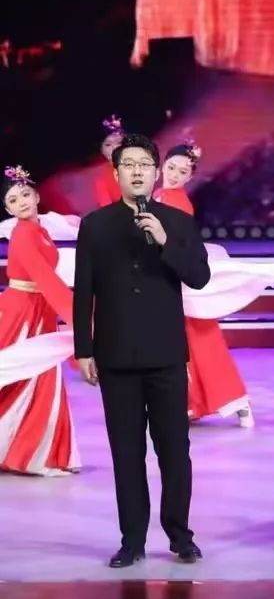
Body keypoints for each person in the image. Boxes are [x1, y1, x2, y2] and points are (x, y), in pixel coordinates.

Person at [74, 133, 211, 568]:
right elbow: (84, 290)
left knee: (174, 450)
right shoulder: (95, 224)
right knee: (126, 452)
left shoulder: (178, 222)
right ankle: (131, 540)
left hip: (166, 353)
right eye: (128, 165)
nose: (136, 172)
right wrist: (83, 349)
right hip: (115, 355)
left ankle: (181, 536)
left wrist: (165, 241)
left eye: (144, 165)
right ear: (116, 174)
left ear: (156, 173)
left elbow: (200, 277)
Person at [156, 142, 255, 427]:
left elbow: (175, 244)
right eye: (171, 168)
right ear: (163, 166)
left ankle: (235, 400)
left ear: (190, 177)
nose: (174, 175)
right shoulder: (161, 195)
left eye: (182, 172)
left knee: (201, 340)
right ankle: (193, 404)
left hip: (176, 278)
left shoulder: (177, 202)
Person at [0, 165, 81, 476]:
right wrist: (78, 322)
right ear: (8, 209)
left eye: (24, 195)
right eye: (12, 200)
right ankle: (35, 457)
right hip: (21, 313)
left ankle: (37, 453)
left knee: (38, 378)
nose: (20, 202)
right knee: (26, 376)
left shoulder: (40, 230)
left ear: (35, 196)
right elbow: (46, 280)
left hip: (38, 309)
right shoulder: (23, 234)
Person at [92, 114, 125, 208]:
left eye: (119, 143)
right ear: (102, 150)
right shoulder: (101, 180)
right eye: (108, 145)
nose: (114, 148)